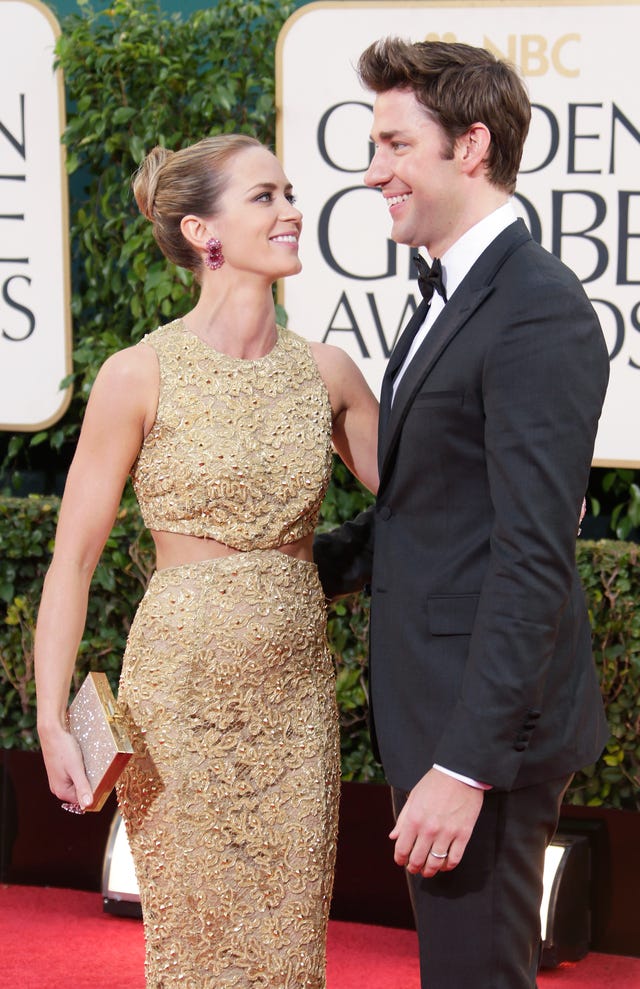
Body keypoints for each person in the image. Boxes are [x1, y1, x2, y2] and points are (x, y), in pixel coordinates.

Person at [34, 134, 379, 988]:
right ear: (202, 231)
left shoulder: (329, 374)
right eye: (265, 196)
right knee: (195, 951)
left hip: (296, 703)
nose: (293, 210)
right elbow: (72, 562)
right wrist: (50, 721)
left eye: (289, 192)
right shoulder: (139, 373)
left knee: (291, 951)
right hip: (177, 705)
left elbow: (427, 499)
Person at [314, 38, 610, 988]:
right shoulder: (449, 292)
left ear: (471, 145)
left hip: (482, 738)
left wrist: (467, 768)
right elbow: (435, 513)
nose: (374, 173)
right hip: (438, 711)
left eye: (396, 144)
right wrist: (280, 567)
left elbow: (532, 554)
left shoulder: (535, 308)